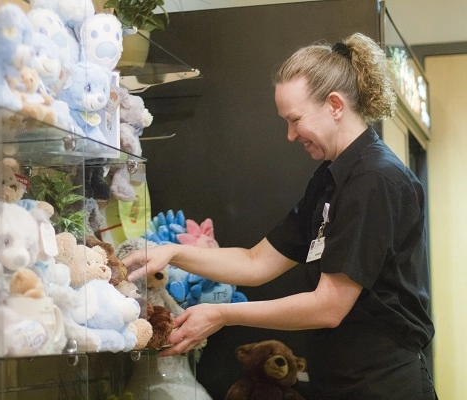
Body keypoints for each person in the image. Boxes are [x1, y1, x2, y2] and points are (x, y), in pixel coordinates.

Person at [123, 32, 436, 400]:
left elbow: (330, 306)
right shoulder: (329, 179)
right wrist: (172, 253)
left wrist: (224, 314)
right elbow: (255, 262)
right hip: (338, 379)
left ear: (335, 104)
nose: (289, 135)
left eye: (295, 119)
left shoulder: (375, 180)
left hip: (383, 383)